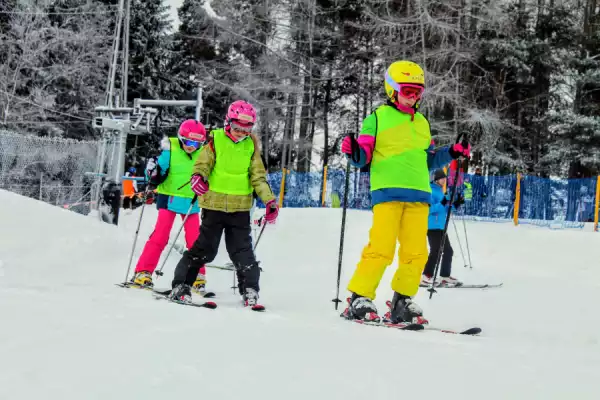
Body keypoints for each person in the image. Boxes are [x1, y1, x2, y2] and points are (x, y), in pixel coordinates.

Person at [340, 60, 470, 324]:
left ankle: (402, 300)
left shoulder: (421, 123)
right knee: (381, 248)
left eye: (418, 92)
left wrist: (452, 152)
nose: (413, 97)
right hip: (387, 192)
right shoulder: (376, 118)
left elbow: (429, 160)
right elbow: (363, 156)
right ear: (392, 89)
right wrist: (353, 151)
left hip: (419, 195)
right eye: (408, 91)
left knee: (417, 253)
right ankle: (359, 297)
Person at [169, 100, 279, 306]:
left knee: (242, 251)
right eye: (237, 128)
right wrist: (199, 178)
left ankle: (250, 290)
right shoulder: (215, 140)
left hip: (240, 208)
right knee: (205, 249)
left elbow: (258, 177)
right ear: (228, 122)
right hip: (214, 205)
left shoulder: (251, 146)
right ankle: (181, 285)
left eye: (246, 129)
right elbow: (202, 165)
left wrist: (269, 200)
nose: (241, 133)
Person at [131, 119, 210, 294]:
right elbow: (155, 175)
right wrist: (151, 170)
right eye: (189, 142)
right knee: (160, 236)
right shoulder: (170, 150)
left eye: (197, 143)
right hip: (169, 198)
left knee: (195, 239)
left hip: (191, 201)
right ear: (181, 138)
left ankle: (197, 275)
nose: (192, 147)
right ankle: (143, 272)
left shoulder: (204, 154)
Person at [421, 169, 464, 287]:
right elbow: (428, 209)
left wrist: (455, 204)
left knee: (448, 251)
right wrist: (442, 203)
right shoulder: (430, 191)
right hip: (432, 226)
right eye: (441, 178)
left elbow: (445, 209)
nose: (444, 180)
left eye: (445, 178)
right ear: (435, 179)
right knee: (436, 250)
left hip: (440, 225)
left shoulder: (440, 192)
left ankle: (444, 276)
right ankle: (426, 276)